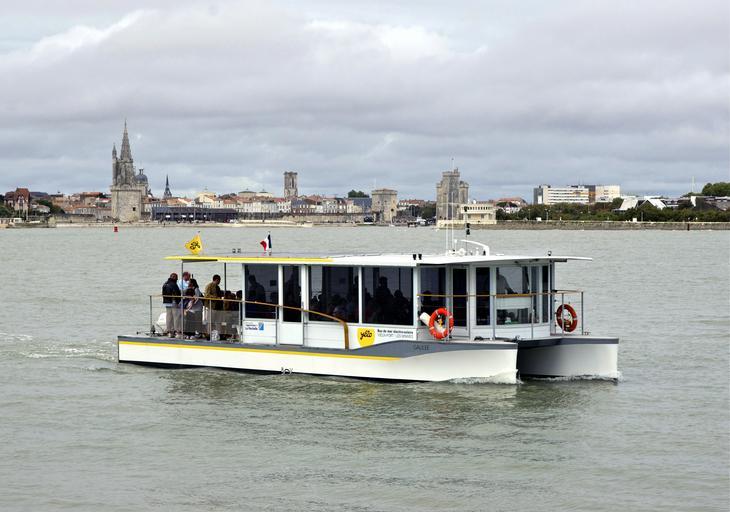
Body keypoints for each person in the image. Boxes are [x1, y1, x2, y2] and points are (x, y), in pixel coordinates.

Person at [162, 273, 182, 337]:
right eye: (176, 278)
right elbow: (177, 294)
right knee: (176, 317)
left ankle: (169, 331)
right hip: (173, 302)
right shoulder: (174, 284)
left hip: (167, 302)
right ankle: (177, 331)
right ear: (175, 278)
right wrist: (178, 302)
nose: (177, 280)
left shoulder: (165, 284)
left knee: (169, 317)